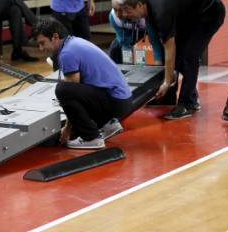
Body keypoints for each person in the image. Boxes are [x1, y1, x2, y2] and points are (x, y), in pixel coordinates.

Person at [34, 17, 152, 149]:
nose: (40, 48)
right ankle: (108, 125)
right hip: (122, 99)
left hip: (116, 102)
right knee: (72, 89)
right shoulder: (74, 42)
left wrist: (67, 129)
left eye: (42, 43)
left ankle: (91, 137)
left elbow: (71, 91)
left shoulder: (67, 53)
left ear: (55, 37)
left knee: (62, 89)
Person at [117, 0, 225, 120]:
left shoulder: (160, 11)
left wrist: (167, 82)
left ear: (139, 5)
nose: (125, 15)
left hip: (210, 11)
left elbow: (170, 48)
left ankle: (187, 104)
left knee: (188, 57)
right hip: (192, 17)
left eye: (127, 10)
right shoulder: (149, 10)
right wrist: (161, 73)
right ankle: (190, 97)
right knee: (180, 56)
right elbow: (157, 43)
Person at [108, 0, 163, 65]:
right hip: (128, 35)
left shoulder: (144, 15)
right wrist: (129, 66)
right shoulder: (113, 17)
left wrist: (158, 65)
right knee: (115, 47)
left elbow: (155, 41)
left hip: (146, 34)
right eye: (115, 10)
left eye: (121, 10)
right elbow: (125, 42)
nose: (118, 15)